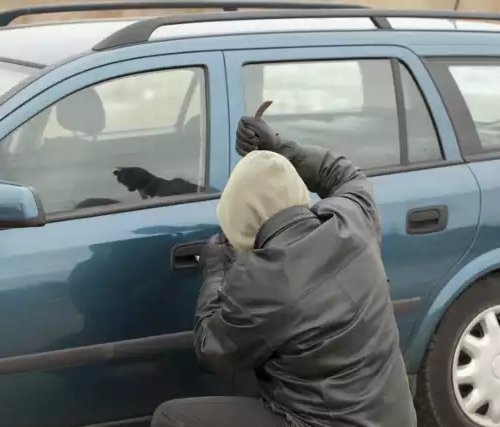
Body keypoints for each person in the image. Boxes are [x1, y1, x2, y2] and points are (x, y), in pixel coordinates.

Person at [151, 117, 417, 427]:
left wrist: (214, 273)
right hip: (396, 419)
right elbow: (344, 174)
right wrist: (281, 148)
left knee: (171, 418)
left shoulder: (262, 283)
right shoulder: (353, 221)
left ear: (243, 226)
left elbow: (212, 349)